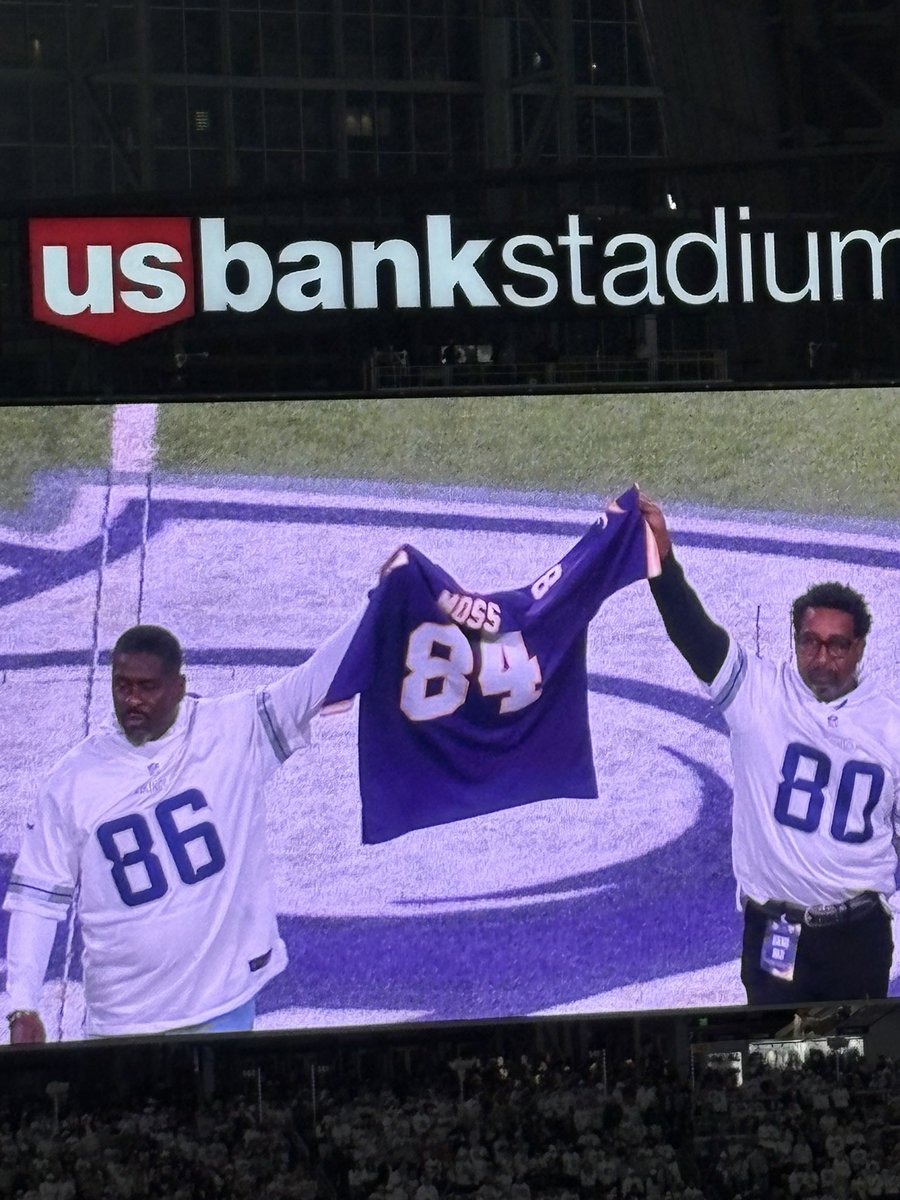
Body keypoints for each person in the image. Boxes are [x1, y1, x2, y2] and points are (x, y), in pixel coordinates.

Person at [3, 615, 363, 1042]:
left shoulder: (232, 731)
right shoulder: (72, 781)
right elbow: (37, 897)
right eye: (122, 686)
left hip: (221, 1002)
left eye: (147, 687)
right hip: (122, 1017)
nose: (133, 700)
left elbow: (313, 681)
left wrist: (377, 602)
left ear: (178, 687)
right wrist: (22, 1005)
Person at [638, 494, 900, 1005]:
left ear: (860, 647)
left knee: (859, 1049)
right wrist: (663, 561)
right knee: (771, 1046)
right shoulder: (756, 693)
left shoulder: (891, 724)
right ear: (794, 639)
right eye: (809, 641)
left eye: (837, 645)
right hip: (776, 931)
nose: (821, 657)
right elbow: (694, 633)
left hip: (858, 934)